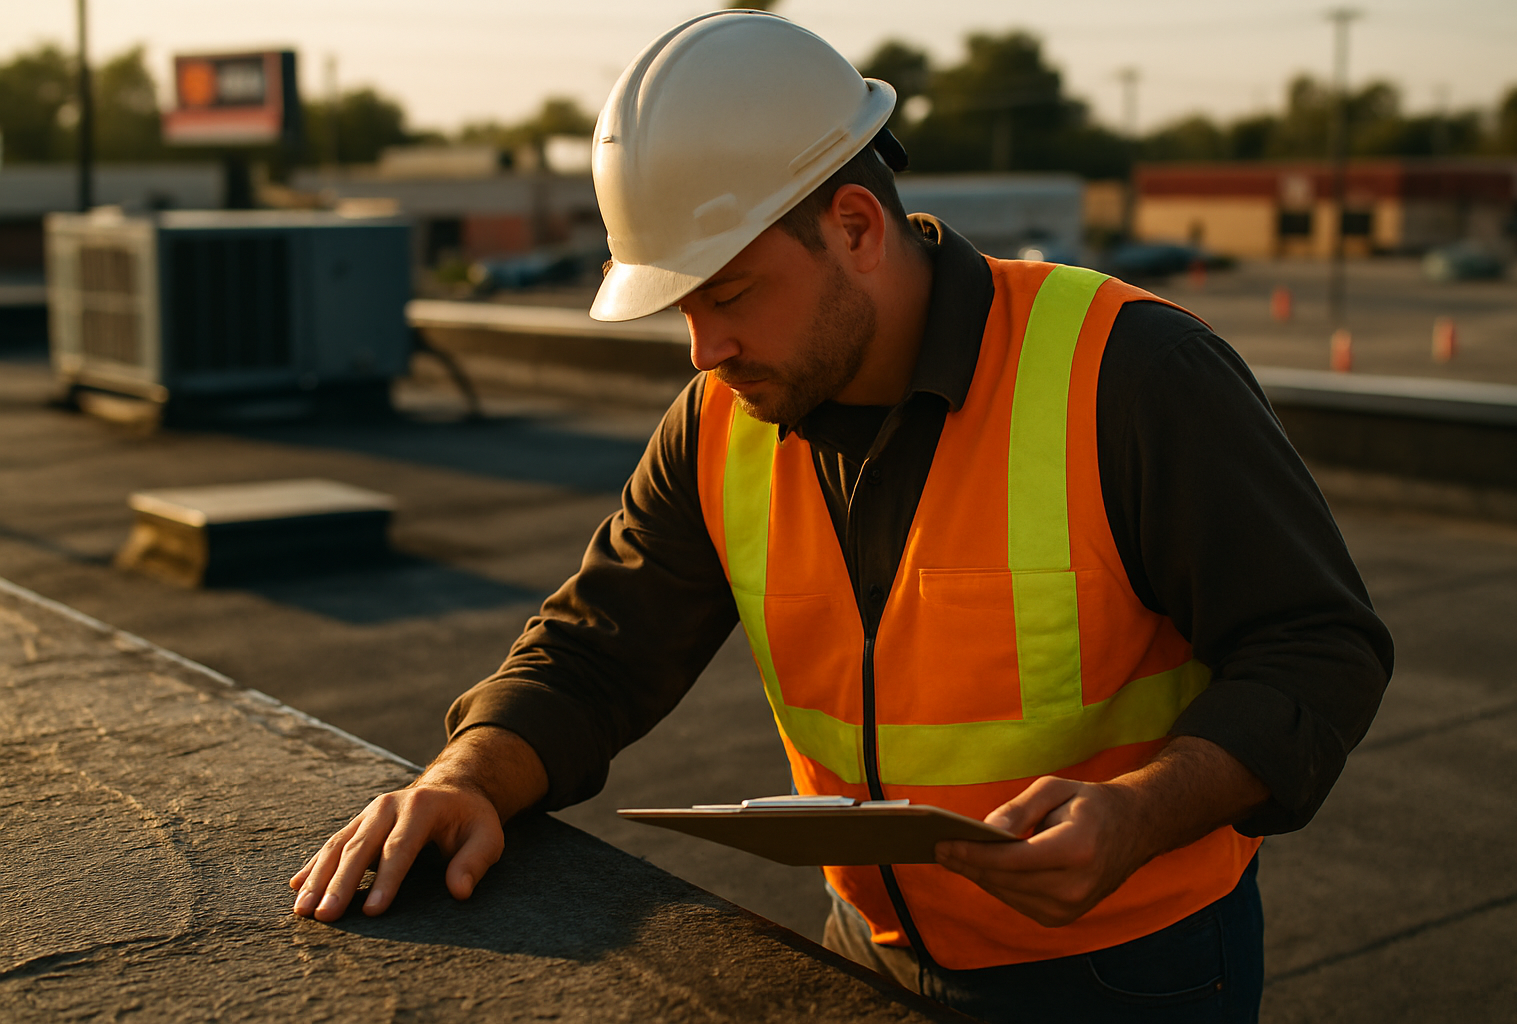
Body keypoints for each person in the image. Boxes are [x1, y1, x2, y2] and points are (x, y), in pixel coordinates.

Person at [291, 12, 1391, 1023]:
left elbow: (1319, 648)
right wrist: (467, 777)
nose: (704, 349)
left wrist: (1142, 811)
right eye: (680, 307)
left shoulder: (1131, 374)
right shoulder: (720, 417)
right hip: (864, 951)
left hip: (1128, 970)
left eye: (728, 293)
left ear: (856, 225)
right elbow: (597, 651)